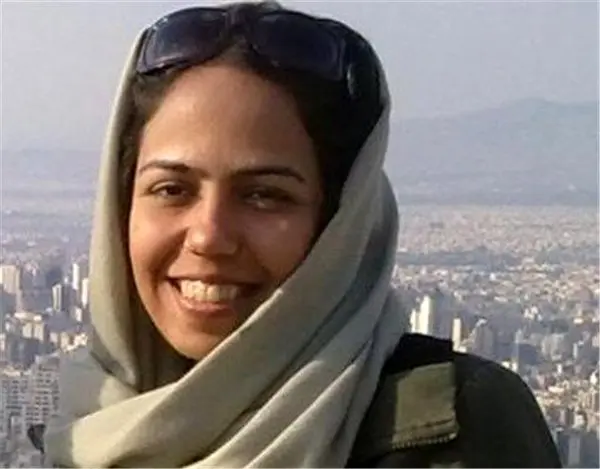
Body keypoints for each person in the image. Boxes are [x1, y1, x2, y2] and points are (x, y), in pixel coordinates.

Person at [43, 1, 561, 467]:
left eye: (264, 195)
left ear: (341, 221)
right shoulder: (87, 425)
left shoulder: (451, 429)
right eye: (172, 189)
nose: (209, 236)